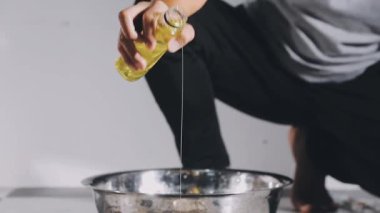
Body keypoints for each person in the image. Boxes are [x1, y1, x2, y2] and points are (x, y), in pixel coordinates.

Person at [117, 0, 380, 212]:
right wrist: (169, 9)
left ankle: (315, 150)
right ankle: (210, 185)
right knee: (154, 24)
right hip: (266, 57)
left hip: (356, 85)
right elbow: (173, 10)